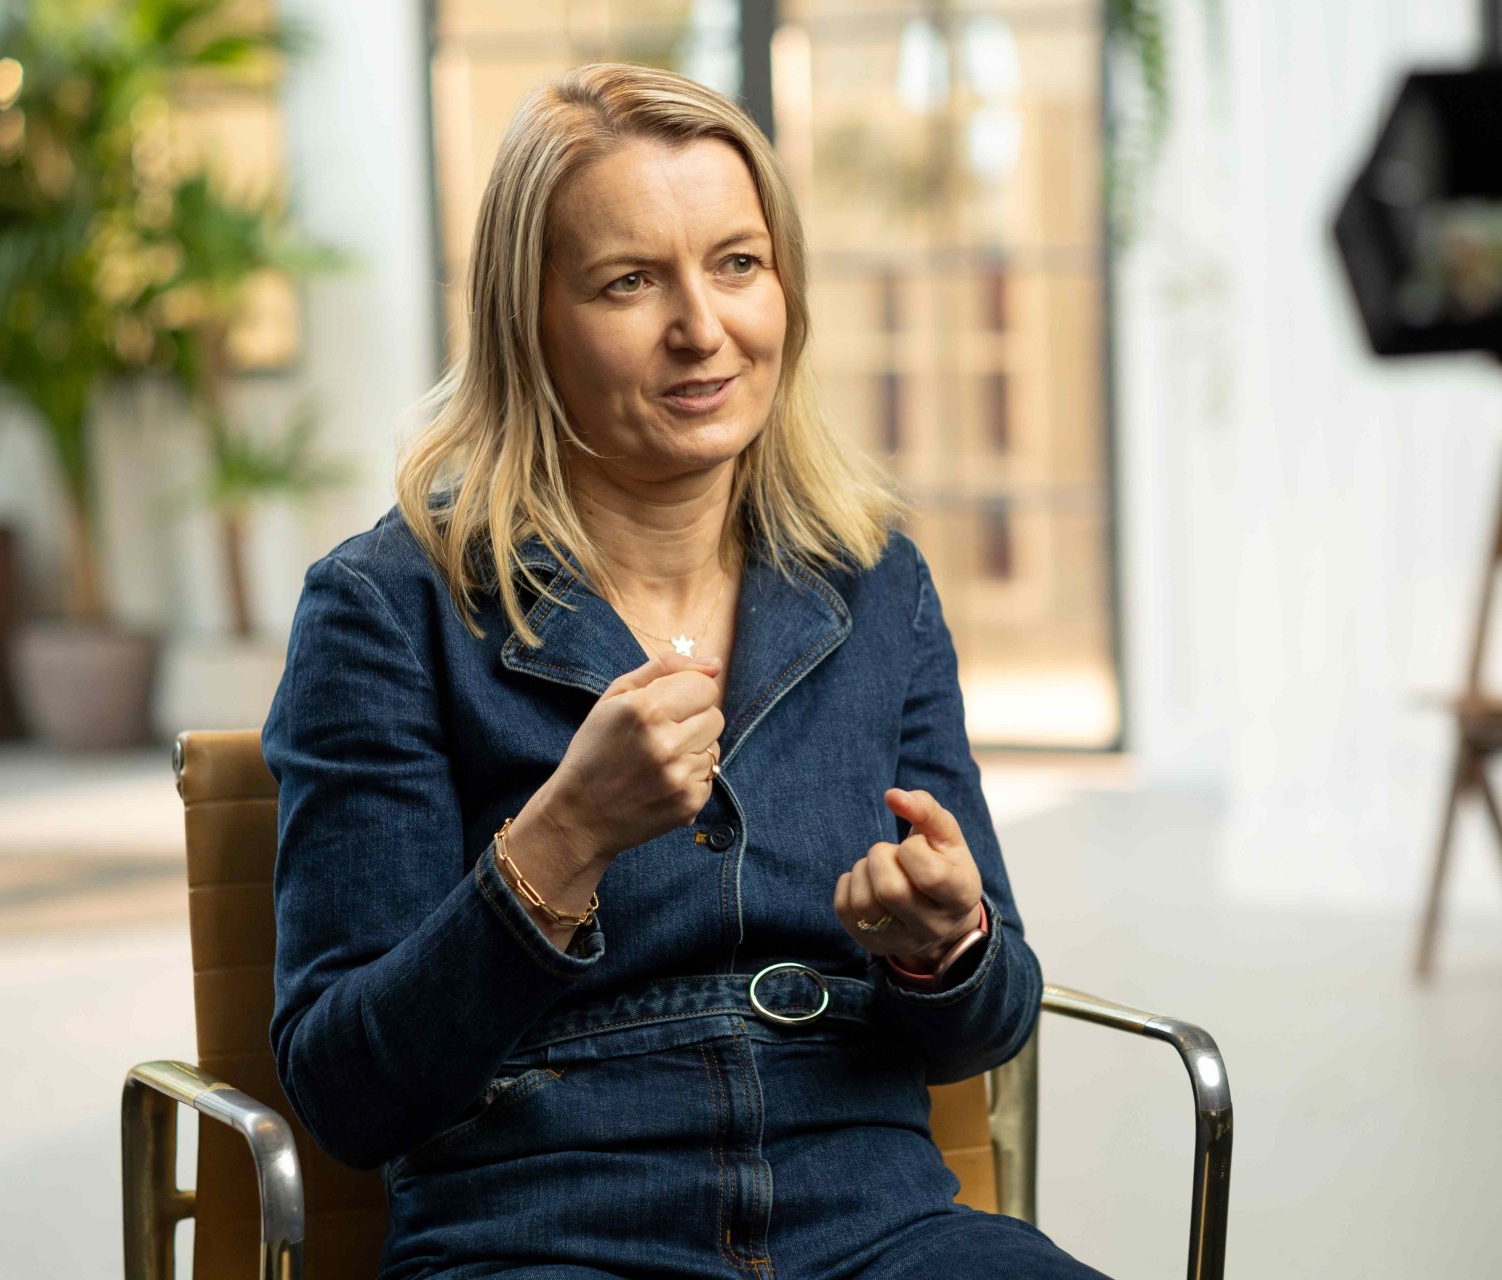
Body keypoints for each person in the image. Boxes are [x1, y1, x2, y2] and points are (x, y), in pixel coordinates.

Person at [262, 61, 1107, 1280]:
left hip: (871, 1223)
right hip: (548, 1230)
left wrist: (945, 943)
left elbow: (993, 1018)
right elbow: (348, 1088)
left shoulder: (876, 582)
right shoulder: (388, 607)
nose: (703, 329)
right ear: (527, 321)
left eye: (738, 263)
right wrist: (561, 838)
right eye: (629, 280)